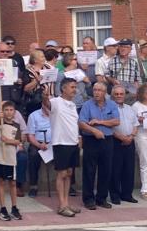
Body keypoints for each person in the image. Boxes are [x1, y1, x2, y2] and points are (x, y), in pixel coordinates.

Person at [78, 81, 120, 209]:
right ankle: (88, 199)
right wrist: (94, 130)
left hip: (107, 140)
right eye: (95, 90)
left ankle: (101, 198)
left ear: (105, 92)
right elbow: (82, 123)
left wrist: (99, 122)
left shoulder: (112, 104)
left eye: (99, 90)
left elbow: (116, 121)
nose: (96, 93)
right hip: (91, 140)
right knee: (89, 170)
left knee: (105, 170)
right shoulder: (87, 105)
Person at [46, 78, 83, 217]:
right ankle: (61, 205)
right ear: (63, 88)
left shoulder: (72, 105)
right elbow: (46, 103)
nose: (75, 90)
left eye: (75, 87)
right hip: (61, 142)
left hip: (73, 142)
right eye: (72, 87)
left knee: (69, 174)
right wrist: (45, 95)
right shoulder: (56, 102)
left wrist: (78, 138)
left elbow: (74, 122)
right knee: (61, 174)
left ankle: (67, 203)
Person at [0, 99, 23, 221]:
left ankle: (14, 207)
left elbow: (19, 141)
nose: (9, 112)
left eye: (11, 110)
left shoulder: (17, 126)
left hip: (11, 158)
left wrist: (9, 141)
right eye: (6, 110)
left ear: (14, 112)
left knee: (12, 183)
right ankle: (2, 208)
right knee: (0, 182)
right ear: (3, 111)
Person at [110, 83, 139, 204]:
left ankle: (127, 194)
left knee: (129, 169)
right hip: (116, 141)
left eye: (121, 94)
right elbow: (109, 127)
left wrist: (131, 136)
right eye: (116, 94)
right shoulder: (109, 108)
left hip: (130, 141)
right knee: (115, 170)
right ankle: (115, 195)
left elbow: (136, 125)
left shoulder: (130, 108)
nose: (119, 96)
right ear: (112, 95)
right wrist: (122, 137)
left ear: (125, 95)